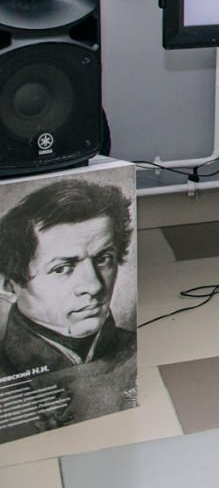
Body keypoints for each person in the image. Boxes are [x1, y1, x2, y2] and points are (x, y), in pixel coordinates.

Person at [0, 178, 138, 440]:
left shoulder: (135, 349)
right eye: (62, 268)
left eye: (104, 259)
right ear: (9, 286)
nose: (94, 286)